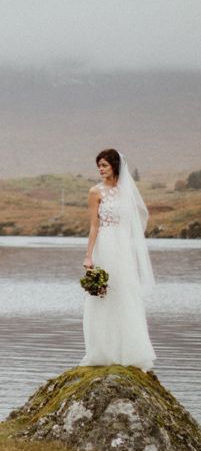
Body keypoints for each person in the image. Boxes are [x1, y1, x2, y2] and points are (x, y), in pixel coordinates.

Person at [80, 148, 156, 371]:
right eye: (99, 166)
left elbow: (136, 220)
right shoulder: (95, 192)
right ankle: (102, 351)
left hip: (123, 250)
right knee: (104, 295)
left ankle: (131, 351)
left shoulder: (127, 192)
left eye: (104, 165)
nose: (101, 170)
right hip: (105, 246)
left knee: (125, 295)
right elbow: (94, 226)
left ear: (115, 165)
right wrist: (88, 255)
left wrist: (131, 247)